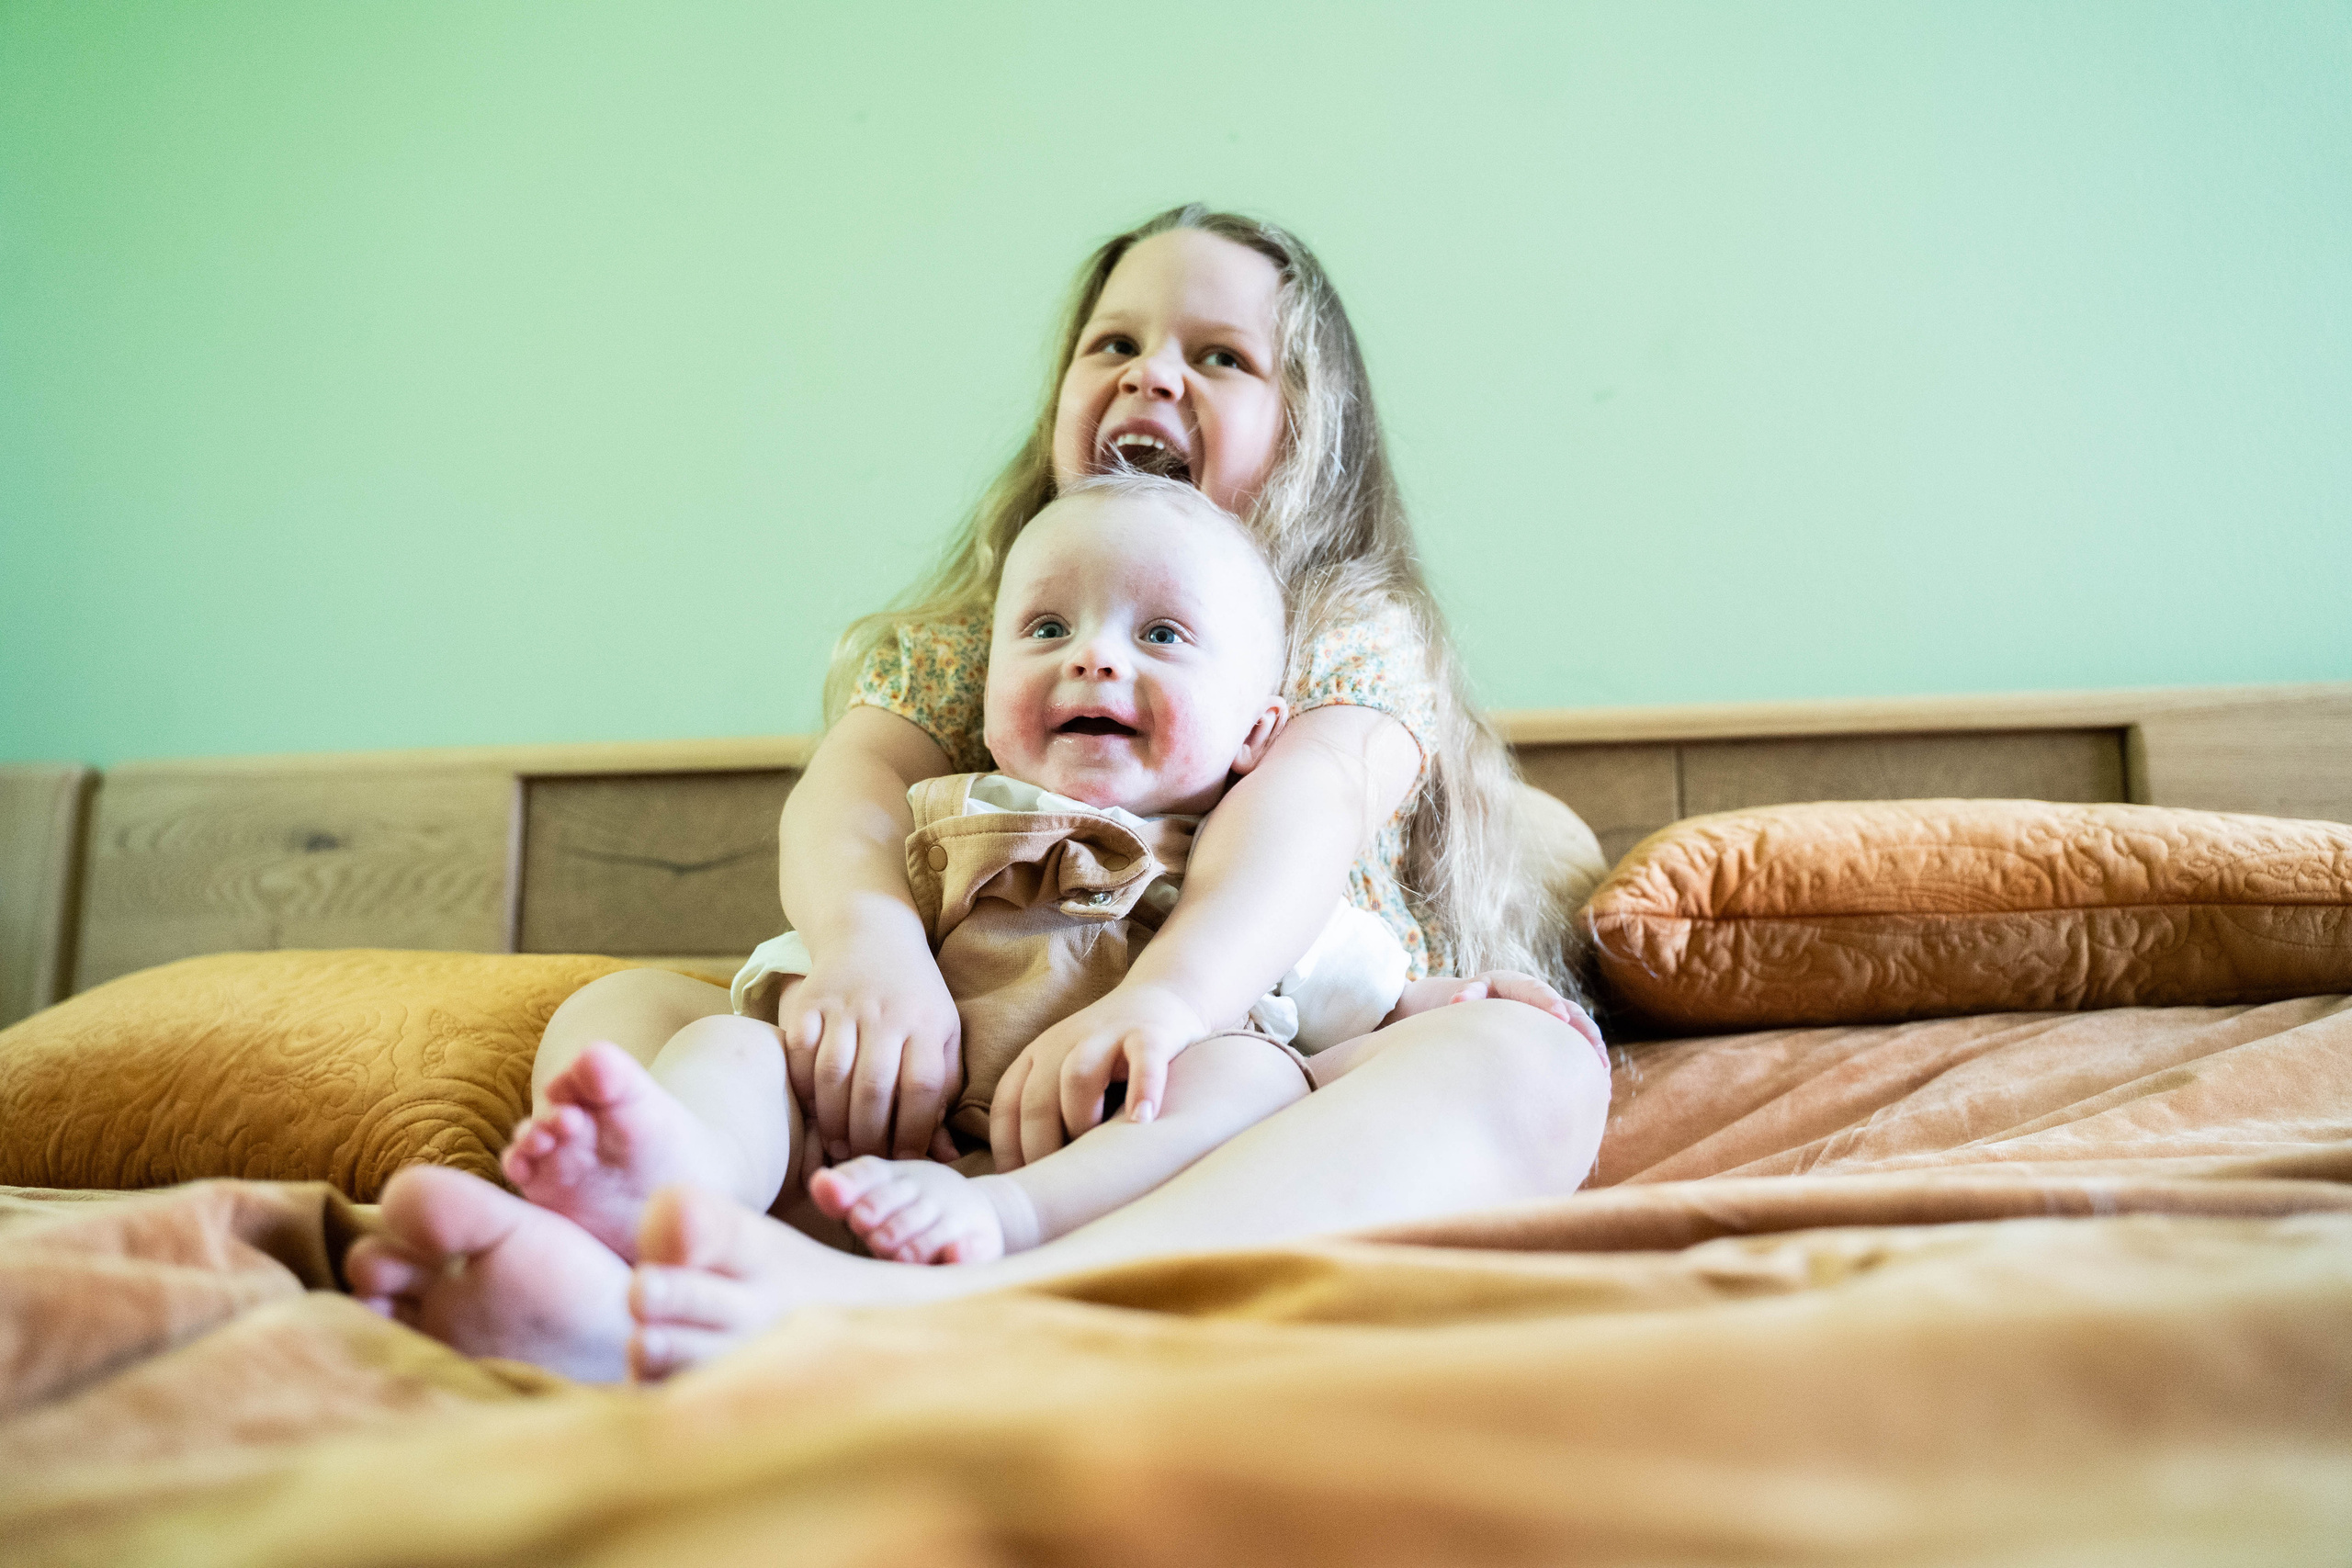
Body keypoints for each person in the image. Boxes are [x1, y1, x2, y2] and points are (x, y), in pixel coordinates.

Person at [346, 204, 1611, 1383]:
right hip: (919, 1088)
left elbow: (1306, 815)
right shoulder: (975, 634)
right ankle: (659, 1226)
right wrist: (868, 949)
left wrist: (1170, 1004)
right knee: (630, 1009)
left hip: (1187, 1104)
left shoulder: (1349, 628)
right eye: (1113, 340)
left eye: (1220, 356)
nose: (1152, 373)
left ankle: (958, 1302)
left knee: (1530, 1066)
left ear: (1312, 428)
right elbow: (853, 792)